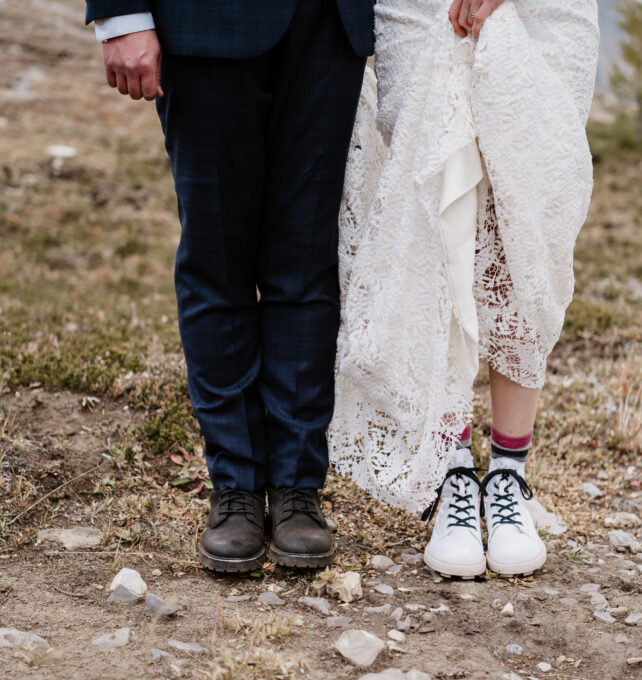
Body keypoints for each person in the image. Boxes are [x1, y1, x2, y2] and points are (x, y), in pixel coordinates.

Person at [86, 0, 374, 572]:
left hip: (330, 25)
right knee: (218, 258)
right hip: (204, 21)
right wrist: (121, 13)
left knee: (308, 258)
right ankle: (236, 487)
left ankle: (297, 488)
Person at [330, 0, 600, 577]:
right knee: (436, 223)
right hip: (422, 12)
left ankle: (509, 474)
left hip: (544, 15)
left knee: (527, 226)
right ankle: (452, 471)